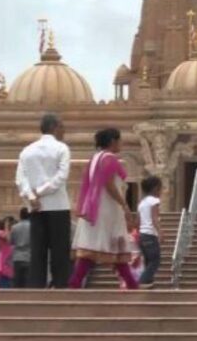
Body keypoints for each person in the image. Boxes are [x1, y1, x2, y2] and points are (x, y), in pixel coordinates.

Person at [68, 128, 139, 290]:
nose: (121, 143)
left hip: (93, 208)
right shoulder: (110, 158)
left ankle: (76, 283)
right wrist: (124, 204)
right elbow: (109, 185)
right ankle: (131, 284)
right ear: (113, 141)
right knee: (113, 244)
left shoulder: (95, 158)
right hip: (106, 209)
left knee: (93, 248)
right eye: (120, 140)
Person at [16, 113, 72, 289]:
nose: (64, 130)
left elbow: (20, 179)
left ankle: (36, 288)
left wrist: (32, 196)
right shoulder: (61, 148)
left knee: (37, 253)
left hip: (36, 208)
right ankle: (60, 286)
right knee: (60, 253)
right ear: (55, 128)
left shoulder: (27, 150)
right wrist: (40, 192)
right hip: (58, 206)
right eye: (62, 126)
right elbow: (61, 176)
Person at [137, 175, 164, 289]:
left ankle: (148, 283)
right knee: (155, 260)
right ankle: (142, 281)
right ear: (155, 188)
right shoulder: (154, 201)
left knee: (148, 261)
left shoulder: (141, 203)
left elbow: (138, 220)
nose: (161, 191)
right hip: (150, 234)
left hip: (142, 235)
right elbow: (154, 218)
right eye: (160, 188)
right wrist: (160, 232)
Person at [10, 208, 32, 288]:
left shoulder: (14, 227)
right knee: (28, 283)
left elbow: (11, 241)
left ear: (20, 216)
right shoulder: (32, 226)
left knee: (17, 283)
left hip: (17, 257)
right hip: (29, 256)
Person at [0, 216, 16, 289]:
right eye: (10, 223)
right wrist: (6, 227)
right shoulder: (0, 232)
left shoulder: (14, 233)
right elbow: (8, 239)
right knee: (5, 289)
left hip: (12, 264)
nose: (11, 225)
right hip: (4, 263)